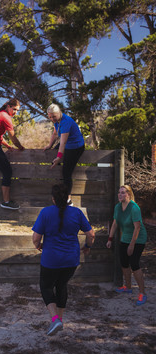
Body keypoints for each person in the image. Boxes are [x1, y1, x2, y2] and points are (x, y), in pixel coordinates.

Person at [32, 184, 95, 336]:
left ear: (53, 199)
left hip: (51, 260)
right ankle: (59, 320)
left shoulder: (46, 212)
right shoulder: (76, 212)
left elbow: (35, 238)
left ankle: (55, 319)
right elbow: (91, 234)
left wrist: (38, 245)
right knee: (61, 285)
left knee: (46, 287)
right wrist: (87, 246)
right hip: (71, 259)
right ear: (68, 198)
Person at [106, 185, 147, 306]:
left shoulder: (134, 208)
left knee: (134, 264)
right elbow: (115, 224)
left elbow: (137, 227)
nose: (120, 194)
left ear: (128, 194)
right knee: (124, 263)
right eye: (119, 192)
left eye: (123, 193)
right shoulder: (118, 207)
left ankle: (142, 293)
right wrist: (110, 239)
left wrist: (132, 245)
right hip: (125, 238)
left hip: (138, 239)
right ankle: (128, 287)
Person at [44, 104, 85, 205]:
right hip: (67, 144)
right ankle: (61, 186)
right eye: (50, 116)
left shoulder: (66, 122)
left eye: (54, 116)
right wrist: (49, 145)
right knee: (54, 154)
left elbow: (63, 143)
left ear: (59, 113)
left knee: (66, 173)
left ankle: (68, 200)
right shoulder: (57, 121)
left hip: (75, 146)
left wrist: (59, 157)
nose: (52, 118)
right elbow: (55, 133)